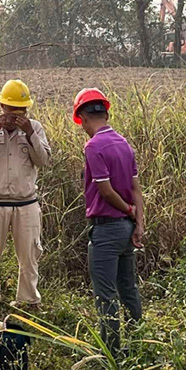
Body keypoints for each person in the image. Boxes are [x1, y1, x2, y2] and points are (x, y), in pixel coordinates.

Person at [0, 79, 51, 323]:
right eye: (10, 110)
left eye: (20, 111)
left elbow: (43, 160)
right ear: (1, 107)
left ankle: (28, 302)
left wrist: (30, 133)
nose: (15, 117)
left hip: (26, 203)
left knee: (30, 254)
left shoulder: (35, 128)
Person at [73, 88, 144, 355]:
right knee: (128, 289)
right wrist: (138, 223)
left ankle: (111, 353)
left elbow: (105, 191)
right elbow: (137, 188)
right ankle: (138, 345)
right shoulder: (123, 143)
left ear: (82, 116)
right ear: (105, 111)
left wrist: (127, 210)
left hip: (106, 229)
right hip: (126, 229)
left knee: (106, 295)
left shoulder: (93, 146)